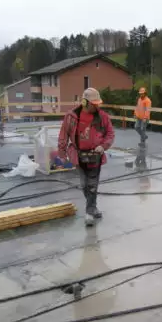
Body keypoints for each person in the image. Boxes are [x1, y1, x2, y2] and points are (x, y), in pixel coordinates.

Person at [58, 88, 115, 226]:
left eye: (97, 103)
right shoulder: (71, 116)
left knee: (92, 185)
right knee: (84, 185)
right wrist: (62, 154)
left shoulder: (102, 117)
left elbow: (110, 134)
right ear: (84, 102)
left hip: (95, 156)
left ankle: (89, 212)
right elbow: (63, 135)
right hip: (79, 155)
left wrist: (103, 146)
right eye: (93, 103)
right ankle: (93, 207)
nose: (96, 106)